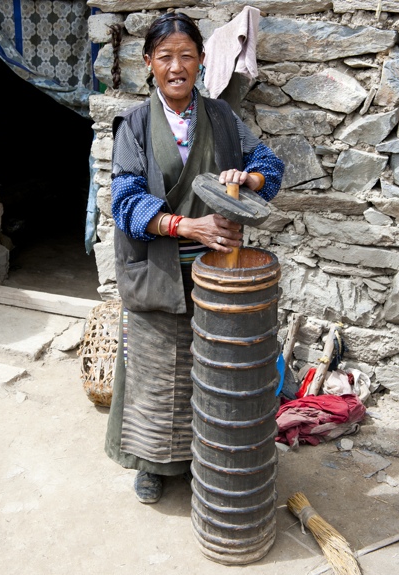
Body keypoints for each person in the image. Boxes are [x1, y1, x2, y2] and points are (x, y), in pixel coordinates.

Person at [104, 12, 284, 504]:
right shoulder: (136, 125)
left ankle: (201, 460)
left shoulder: (222, 119)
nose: (177, 66)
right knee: (157, 371)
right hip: (158, 270)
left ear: (202, 61)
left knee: (210, 370)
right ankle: (151, 465)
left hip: (216, 272)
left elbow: (269, 163)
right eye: (166, 57)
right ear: (149, 63)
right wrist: (188, 226)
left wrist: (249, 180)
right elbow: (124, 200)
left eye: (187, 55)